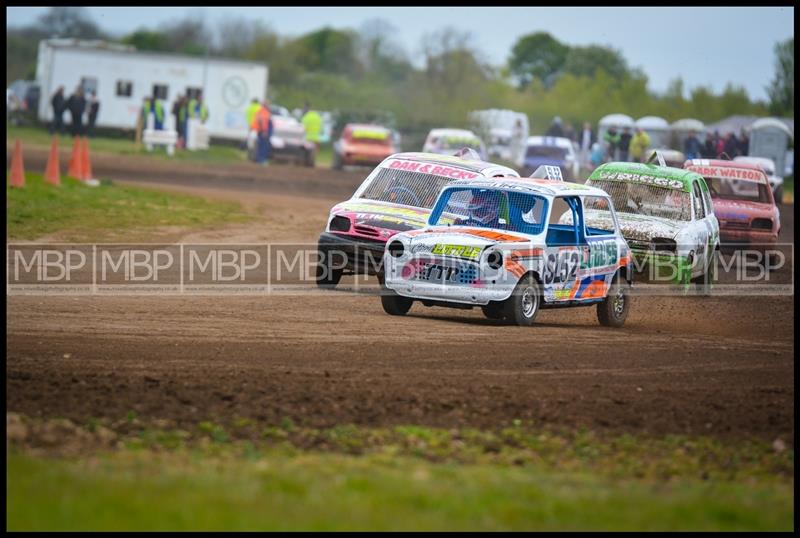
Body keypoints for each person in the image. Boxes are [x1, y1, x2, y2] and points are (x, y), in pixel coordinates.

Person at [252, 99, 272, 165]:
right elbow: (263, 123)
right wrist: (265, 131)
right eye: (268, 104)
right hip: (263, 131)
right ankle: (262, 160)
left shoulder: (261, 111)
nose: (269, 105)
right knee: (263, 146)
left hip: (260, 131)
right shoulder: (264, 112)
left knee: (261, 145)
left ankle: (259, 159)